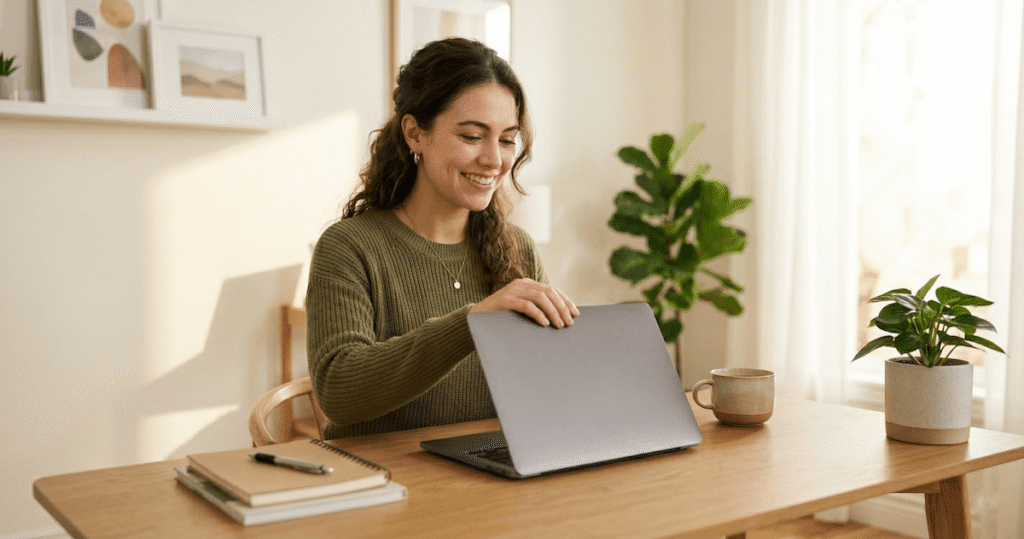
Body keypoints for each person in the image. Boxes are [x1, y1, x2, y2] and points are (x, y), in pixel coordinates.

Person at [306, 38, 579, 439]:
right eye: (472, 136)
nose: (494, 160)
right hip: (382, 472)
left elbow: (544, 388)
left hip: (488, 469)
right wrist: (470, 323)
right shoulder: (349, 246)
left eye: (507, 140)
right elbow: (338, 391)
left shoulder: (518, 248)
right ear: (415, 134)